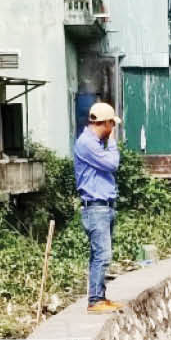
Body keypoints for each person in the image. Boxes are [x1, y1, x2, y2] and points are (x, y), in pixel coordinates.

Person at [74, 102, 123, 313]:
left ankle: (100, 296)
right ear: (105, 123)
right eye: (112, 125)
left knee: (99, 254)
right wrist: (112, 143)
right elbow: (112, 164)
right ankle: (95, 300)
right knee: (102, 254)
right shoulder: (87, 144)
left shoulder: (93, 143)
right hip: (96, 207)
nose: (113, 130)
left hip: (104, 206)